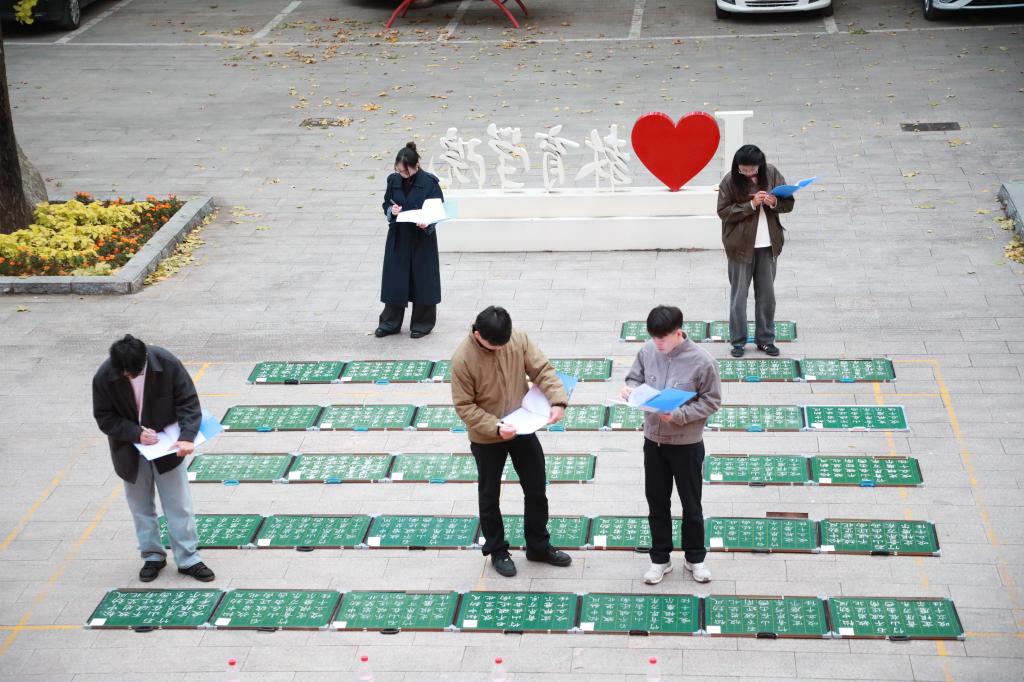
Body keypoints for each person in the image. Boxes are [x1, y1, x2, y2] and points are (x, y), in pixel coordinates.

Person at [451, 306, 572, 577]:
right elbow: (464, 406)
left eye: (502, 344)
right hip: (487, 436)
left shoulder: (516, 339)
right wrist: (495, 427)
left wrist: (557, 400)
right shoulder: (463, 359)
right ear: (478, 334)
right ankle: (497, 549)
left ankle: (538, 546)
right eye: (493, 346)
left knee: (536, 486)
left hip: (522, 426)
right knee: (489, 494)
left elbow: (542, 369)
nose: (499, 349)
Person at [91, 335, 214, 583]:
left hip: (169, 448)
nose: (128, 376)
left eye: (133, 373)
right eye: (124, 373)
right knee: (141, 507)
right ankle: (152, 556)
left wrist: (187, 437)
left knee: (178, 504)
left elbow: (188, 402)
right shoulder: (105, 375)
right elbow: (104, 417)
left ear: (145, 360)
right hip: (130, 451)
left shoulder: (167, 364)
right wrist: (135, 433)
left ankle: (188, 558)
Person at [621, 305, 721, 585]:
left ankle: (695, 558)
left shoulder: (703, 361)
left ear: (678, 332)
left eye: (662, 338)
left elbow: (712, 400)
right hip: (653, 442)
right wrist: (630, 390)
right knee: (657, 502)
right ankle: (660, 559)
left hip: (687, 444)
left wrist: (679, 415)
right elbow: (634, 377)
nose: (657, 343)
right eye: (654, 337)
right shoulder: (647, 351)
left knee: (691, 504)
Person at [717, 144, 795, 358]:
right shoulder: (730, 181)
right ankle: (738, 342)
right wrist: (750, 205)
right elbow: (723, 212)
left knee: (767, 296)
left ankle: (766, 340)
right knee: (738, 297)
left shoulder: (771, 173)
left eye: (752, 169)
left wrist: (774, 202)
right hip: (739, 247)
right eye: (744, 169)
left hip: (768, 246)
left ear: (760, 165)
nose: (748, 173)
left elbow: (788, 204)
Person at [376, 141, 443, 339]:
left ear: (416, 166)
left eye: (405, 172)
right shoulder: (393, 180)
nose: (402, 175)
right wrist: (392, 210)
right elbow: (386, 203)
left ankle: (422, 323)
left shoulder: (430, 183)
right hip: (399, 236)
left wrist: (427, 222)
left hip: (422, 239)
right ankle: (390, 322)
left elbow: (438, 208)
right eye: (399, 171)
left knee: (423, 280)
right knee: (395, 279)